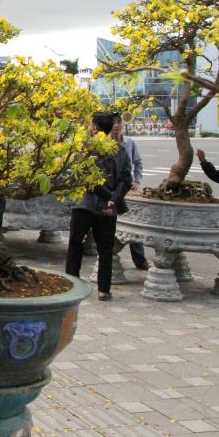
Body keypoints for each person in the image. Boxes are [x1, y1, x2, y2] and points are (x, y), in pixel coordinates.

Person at [65, 112, 133, 301]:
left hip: (85, 205)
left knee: (76, 246)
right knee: (105, 250)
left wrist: (109, 197)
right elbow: (126, 179)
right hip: (107, 208)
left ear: (94, 127)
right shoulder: (119, 149)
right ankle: (104, 289)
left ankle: (72, 284)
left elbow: (88, 179)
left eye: (90, 124)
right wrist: (113, 198)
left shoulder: (87, 149)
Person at [111, 112, 148, 270]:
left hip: (126, 188)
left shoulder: (129, 143)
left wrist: (137, 180)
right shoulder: (104, 143)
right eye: (113, 123)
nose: (117, 125)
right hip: (111, 189)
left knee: (133, 224)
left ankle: (140, 260)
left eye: (119, 122)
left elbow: (138, 162)